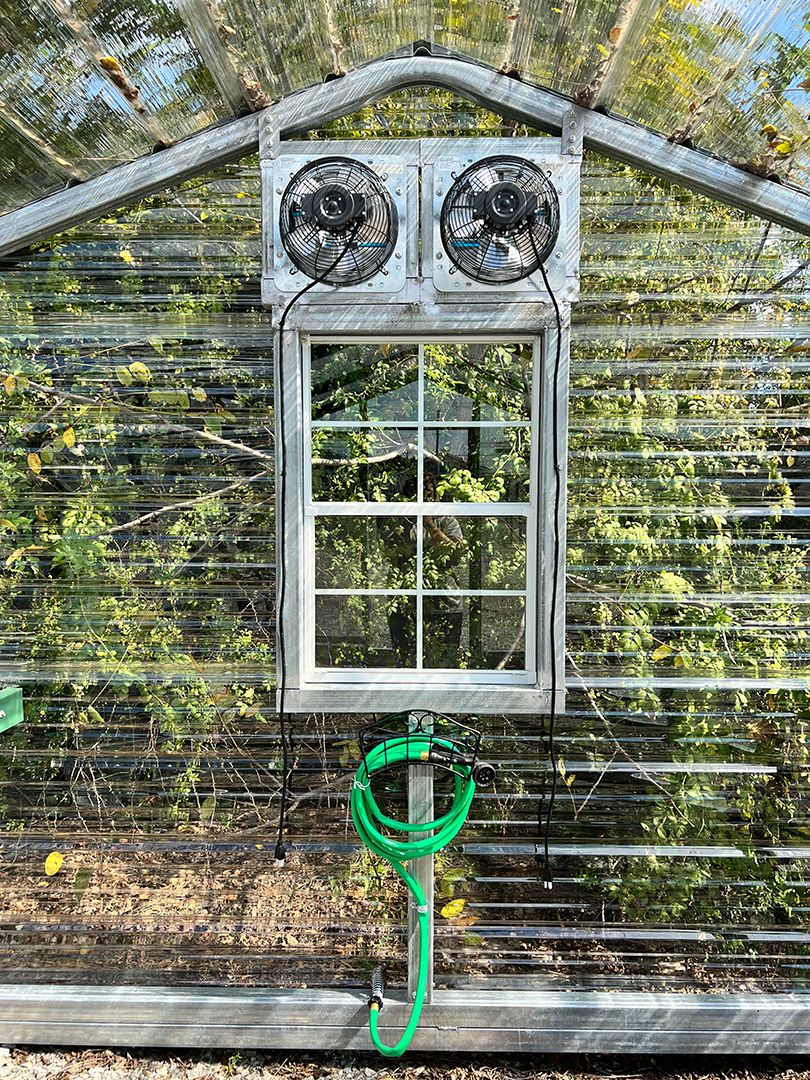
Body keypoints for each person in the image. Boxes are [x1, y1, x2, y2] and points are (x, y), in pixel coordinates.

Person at [385, 471, 466, 668]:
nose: (426, 499)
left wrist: (432, 527)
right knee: (406, 656)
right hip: (407, 598)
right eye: (420, 494)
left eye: (429, 494)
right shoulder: (402, 523)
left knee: (445, 658)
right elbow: (390, 554)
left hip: (444, 599)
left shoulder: (446, 520)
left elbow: (456, 555)